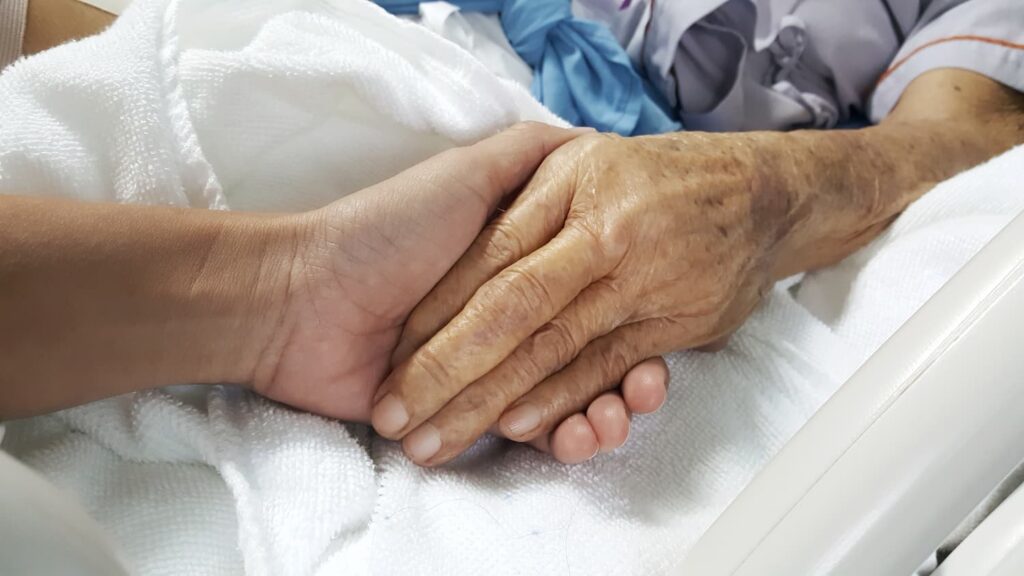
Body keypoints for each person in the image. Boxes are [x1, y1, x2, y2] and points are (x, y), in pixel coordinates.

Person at [3, 0, 1023, 469]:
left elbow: (971, 140)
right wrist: (201, 65)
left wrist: (749, 195)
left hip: (563, 179)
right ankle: (275, 288)